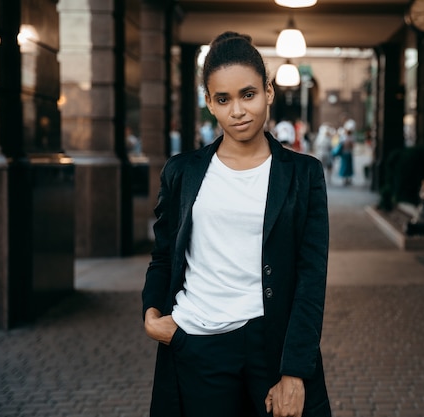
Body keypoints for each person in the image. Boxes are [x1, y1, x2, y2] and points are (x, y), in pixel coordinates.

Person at [142, 31, 331, 417]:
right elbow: (164, 254)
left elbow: (311, 277)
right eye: (223, 99)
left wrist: (295, 371)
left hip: (270, 344)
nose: (238, 110)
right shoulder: (183, 172)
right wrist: (152, 314)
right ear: (209, 103)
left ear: (268, 91)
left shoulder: (303, 175)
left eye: (248, 94)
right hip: (196, 342)